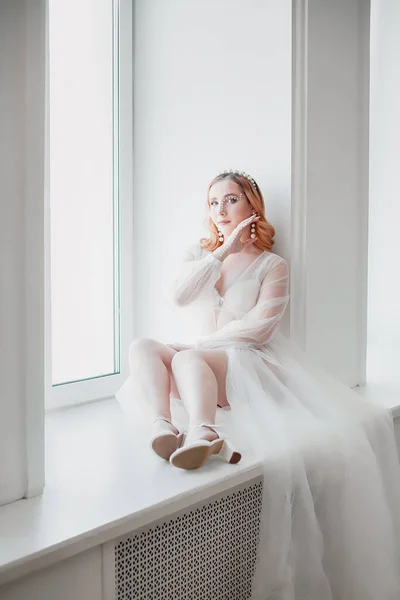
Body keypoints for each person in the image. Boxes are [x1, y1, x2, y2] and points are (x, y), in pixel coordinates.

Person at [117, 170, 400, 599]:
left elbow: (259, 329)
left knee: (188, 357)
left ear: (252, 205)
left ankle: (204, 430)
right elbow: (177, 296)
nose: (221, 211)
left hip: (246, 366)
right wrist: (222, 252)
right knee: (142, 347)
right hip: (201, 363)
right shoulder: (199, 254)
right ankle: (162, 425)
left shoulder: (273, 265)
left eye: (231, 200)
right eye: (213, 203)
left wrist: (194, 346)